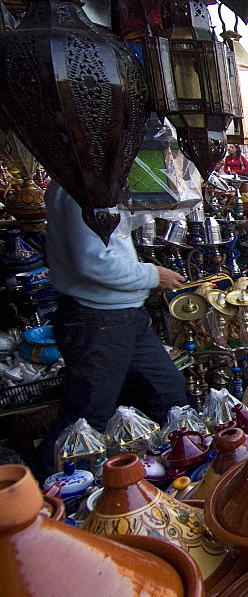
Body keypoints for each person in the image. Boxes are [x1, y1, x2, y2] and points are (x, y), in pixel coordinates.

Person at [35, 184, 187, 476]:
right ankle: (40, 499)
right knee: (85, 419)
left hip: (125, 316)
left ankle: (175, 470)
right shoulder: (80, 190)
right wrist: (151, 274)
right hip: (98, 319)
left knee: (168, 394)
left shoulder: (94, 187)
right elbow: (93, 263)